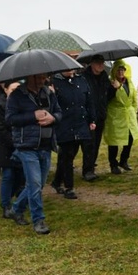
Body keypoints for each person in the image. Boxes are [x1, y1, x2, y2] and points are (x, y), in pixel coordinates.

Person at [6, 72, 62, 234]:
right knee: (36, 184)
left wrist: (53, 118)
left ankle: (16, 209)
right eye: (38, 78)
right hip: (27, 146)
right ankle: (39, 220)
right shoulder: (17, 95)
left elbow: (59, 112)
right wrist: (33, 116)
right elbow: (10, 119)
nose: (41, 81)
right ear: (29, 77)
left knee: (37, 184)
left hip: (46, 145)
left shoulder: (49, 93)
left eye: (44, 77)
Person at [50, 69, 96, 200]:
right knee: (67, 155)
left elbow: (89, 101)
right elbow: (51, 105)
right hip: (64, 123)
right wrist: (51, 94)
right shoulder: (55, 82)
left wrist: (92, 119)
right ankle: (68, 187)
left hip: (80, 122)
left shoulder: (81, 80)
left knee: (69, 155)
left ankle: (57, 181)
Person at [0, 81, 24, 217]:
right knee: (8, 175)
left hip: (20, 144)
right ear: (6, 89)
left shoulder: (22, 104)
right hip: (4, 146)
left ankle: (17, 200)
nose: (15, 92)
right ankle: (6, 205)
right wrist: (14, 141)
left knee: (20, 175)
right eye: (13, 89)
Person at [103, 59, 138, 175]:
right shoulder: (110, 83)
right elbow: (106, 99)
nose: (121, 72)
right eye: (118, 69)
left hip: (129, 115)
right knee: (114, 141)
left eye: (122, 69)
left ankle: (124, 160)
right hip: (116, 116)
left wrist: (134, 110)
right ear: (114, 71)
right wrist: (114, 89)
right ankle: (113, 164)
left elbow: (133, 98)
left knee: (129, 138)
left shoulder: (129, 82)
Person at [83, 55, 115, 181]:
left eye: (102, 63)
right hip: (87, 116)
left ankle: (90, 168)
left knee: (95, 143)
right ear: (91, 63)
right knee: (88, 144)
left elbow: (108, 97)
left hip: (100, 115)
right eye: (97, 63)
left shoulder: (104, 78)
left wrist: (114, 88)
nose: (100, 65)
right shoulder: (85, 77)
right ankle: (87, 170)